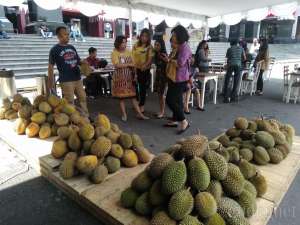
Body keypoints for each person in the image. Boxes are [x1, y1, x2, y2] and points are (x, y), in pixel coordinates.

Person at [48, 26, 89, 117]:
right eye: (65, 34)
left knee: (83, 98)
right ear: (59, 36)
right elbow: (50, 66)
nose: (67, 36)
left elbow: (78, 60)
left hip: (77, 78)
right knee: (70, 102)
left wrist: (83, 62)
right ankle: (72, 120)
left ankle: (85, 117)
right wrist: (50, 83)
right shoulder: (54, 50)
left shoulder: (72, 47)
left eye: (68, 34)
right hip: (66, 80)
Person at [111, 35, 149, 122]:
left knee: (133, 97)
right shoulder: (114, 53)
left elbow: (133, 64)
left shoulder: (128, 52)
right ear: (118, 43)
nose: (124, 44)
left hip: (129, 77)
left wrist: (135, 75)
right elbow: (117, 65)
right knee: (121, 98)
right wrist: (128, 65)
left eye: (125, 42)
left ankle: (140, 114)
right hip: (119, 78)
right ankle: (124, 114)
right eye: (123, 42)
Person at [165, 25, 191, 135]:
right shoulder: (180, 46)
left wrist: (170, 60)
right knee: (178, 100)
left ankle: (184, 121)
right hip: (174, 77)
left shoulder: (184, 47)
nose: (173, 37)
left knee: (170, 100)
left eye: (174, 35)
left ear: (180, 35)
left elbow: (180, 63)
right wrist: (170, 59)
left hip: (179, 79)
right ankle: (176, 120)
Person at [132, 28, 153, 114]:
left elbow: (150, 59)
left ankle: (142, 105)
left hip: (144, 70)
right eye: (142, 36)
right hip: (135, 68)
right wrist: (134, 67)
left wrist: (144, 66)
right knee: (135, 87)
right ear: (140, 36)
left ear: (148, 38)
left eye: (146, 36)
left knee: (142, 88)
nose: (144, 38)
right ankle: (137, 103)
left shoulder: (149, 47)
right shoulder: (136, 45)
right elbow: (132, 55)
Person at [153, 39, 168, 118]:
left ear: (162, 46)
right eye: (155, 44)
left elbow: (168, 63)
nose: (156, 46)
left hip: (163, 76)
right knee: (159, 94)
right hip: (159, 75)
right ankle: (161, 110)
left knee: (161, 94)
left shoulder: (163, 54)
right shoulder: (156, 54)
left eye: (158, 45)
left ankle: (162, 112)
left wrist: (166, 60)